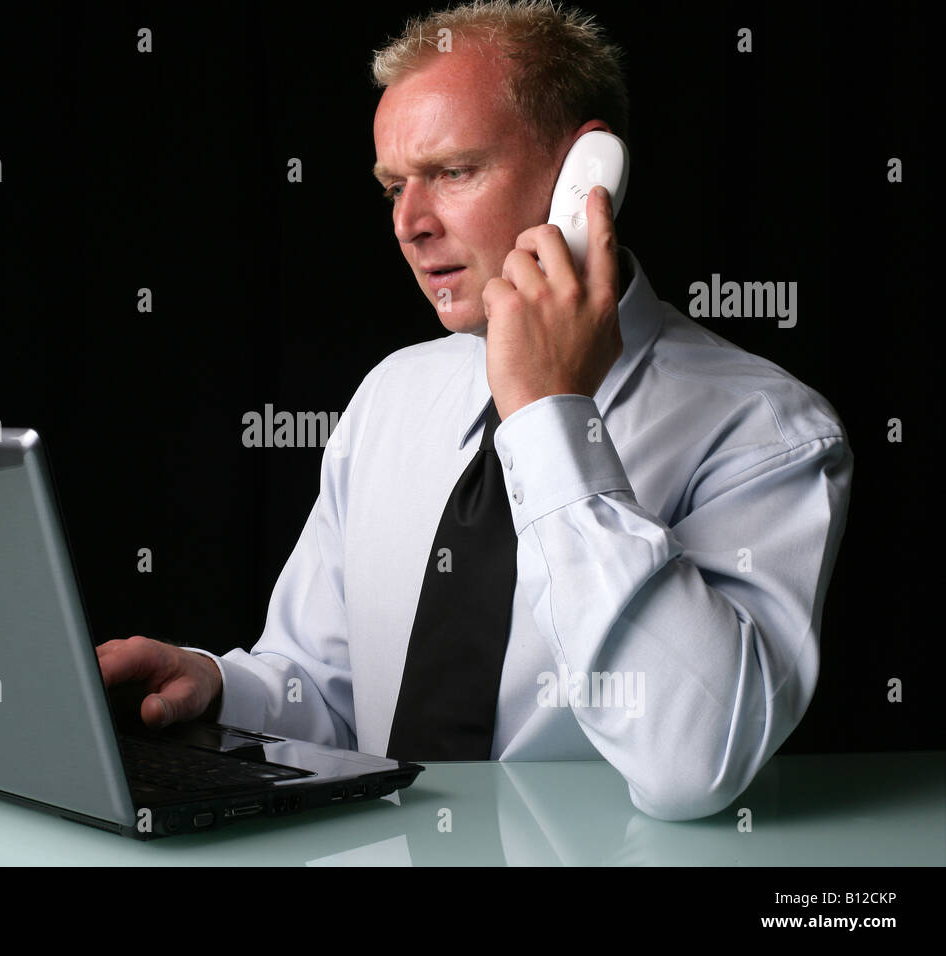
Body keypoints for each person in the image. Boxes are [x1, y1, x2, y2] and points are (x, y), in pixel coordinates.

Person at [96, 0, 853, 821]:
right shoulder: (392, 393)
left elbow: (696, 765)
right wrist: (214, 686)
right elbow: (325, 693)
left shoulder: (768, 430)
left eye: (453, 172)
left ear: (583, 176)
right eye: (393, 186)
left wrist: (549, 416)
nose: (409, 225)